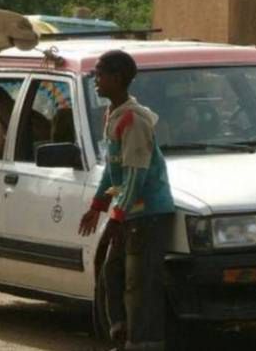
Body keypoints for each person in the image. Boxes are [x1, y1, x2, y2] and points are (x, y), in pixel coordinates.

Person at [78, 50, 175, 351]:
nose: (96, 79)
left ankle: (143, 343)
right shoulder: (115, 115)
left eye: (100, 74)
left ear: (118, 78)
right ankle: (122, 334)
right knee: (111, 271)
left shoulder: (133, 120)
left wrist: (116, 218)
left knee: (139, 284)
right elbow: (114, 170)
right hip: (130, 213)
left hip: (148, 215)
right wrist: (98, 206)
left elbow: (136, 176)